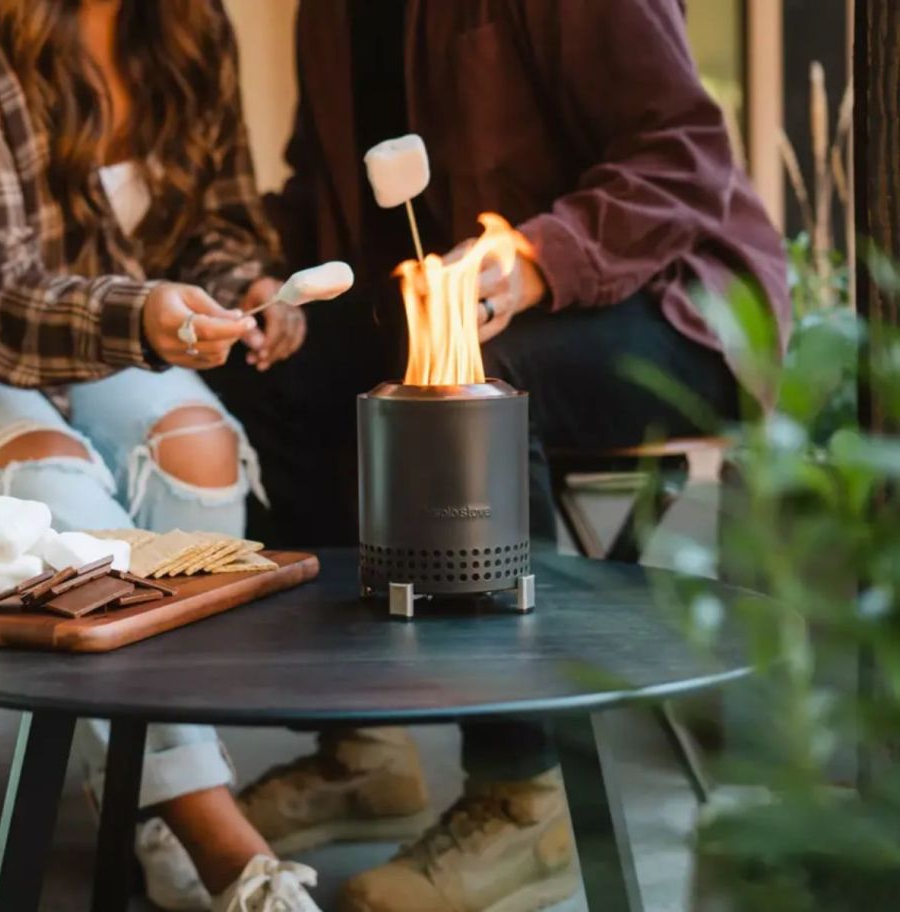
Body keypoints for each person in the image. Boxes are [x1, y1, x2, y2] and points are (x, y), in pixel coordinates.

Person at [206, 2, 792, 912]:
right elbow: (318, 183)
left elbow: (682, 155)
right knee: (275, 377)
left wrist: (536, 258)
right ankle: (363, 750)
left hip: (675, 301)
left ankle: (524, 799)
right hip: (451, 314)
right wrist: (273, 286)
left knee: (478, 389)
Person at [0, 1, 321, 909]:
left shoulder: (189, 25)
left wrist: (245, 283)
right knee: (55, 482)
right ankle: (212, 831)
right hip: (3, 332)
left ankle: (147, 794)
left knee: (202, 449)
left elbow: (216, 219)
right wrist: (141, 316)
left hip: (115, 333)